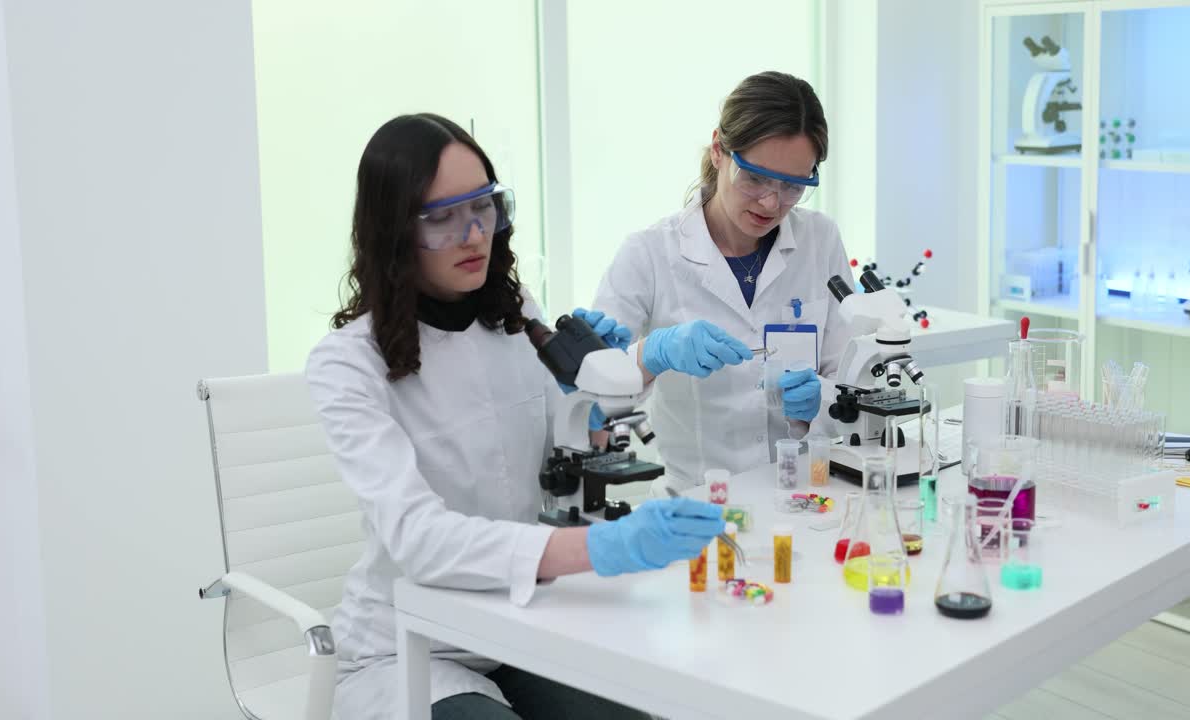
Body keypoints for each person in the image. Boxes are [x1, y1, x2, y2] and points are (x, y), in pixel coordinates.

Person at [305, 113, 735, 719]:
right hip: (411, 645)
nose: (473, 234)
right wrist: (598, 547)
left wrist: (613, 379)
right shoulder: (347, 362)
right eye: (441, 218)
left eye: (482, 207)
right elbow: (420, 541)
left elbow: (574, 438)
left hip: (516, 625)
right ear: (393, 230)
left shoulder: (513, 315)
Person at [591, 71, 854, 493]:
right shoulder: (649, 254)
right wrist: (651, 354)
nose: (771, 203)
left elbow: (851, 378)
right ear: (719, 150)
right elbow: (592, 395)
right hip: (698, 503)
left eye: (792, 186)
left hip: (804, 494)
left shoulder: (820, 240)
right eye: (755, 178)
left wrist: (819, 402)